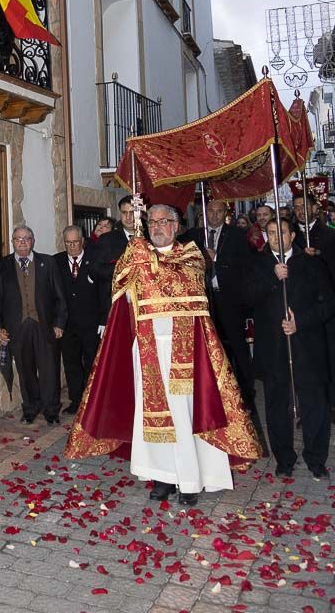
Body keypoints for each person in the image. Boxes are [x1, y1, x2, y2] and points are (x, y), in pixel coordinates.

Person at [65, 204, 261, 505]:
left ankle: (190, 479)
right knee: (151, 416)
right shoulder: (138, 254)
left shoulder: (192, 256)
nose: (156, 227)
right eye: (152, 221)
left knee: (183, 415)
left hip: (185, 350)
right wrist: (134, 258)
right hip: (146, 347)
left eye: (163, 222)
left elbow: (183, 287)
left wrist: (147, 262)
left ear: (176, 225)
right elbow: (118, 284)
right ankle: (162, 476)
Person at [245, 219, 332, 479]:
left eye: (280, 232)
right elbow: (245, 297)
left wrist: (301, 322)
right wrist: (273, 278)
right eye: (270, 233)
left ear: (292, 234)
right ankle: (284, 457)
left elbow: (328, 303)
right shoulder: (258, 264)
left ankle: (316, 458)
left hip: (307, 345)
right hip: (273, 348)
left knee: (314, 403)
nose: (275, 237)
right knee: (276, 404)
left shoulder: (311, 263)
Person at [0, 225, 67, 425]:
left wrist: (59, 323)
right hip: (17, 327)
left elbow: (60, 296)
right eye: (18, 239)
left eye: (26, 238)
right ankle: (31, 408)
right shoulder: (1, 266)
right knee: (25, 370)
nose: (22, 242)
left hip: (44, 325)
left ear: (33, 241)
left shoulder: (47, 263)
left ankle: (51, 410)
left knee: (49, 369)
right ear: (13, 242)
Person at [182, 199, 253, 408]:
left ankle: (245, 396)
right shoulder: (192, 236)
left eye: (218, 211)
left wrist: (217, 261)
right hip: (203, 299)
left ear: (225, 213)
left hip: (229, 300)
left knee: (237, 347)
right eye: (210, 211)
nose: (214, 215)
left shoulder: (238, 236)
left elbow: (245, 266)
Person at [53, 226, 104, 414]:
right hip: (67, 325)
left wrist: (102, 320)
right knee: (71, 363)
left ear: (82, 241)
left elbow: (102, 292)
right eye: (68, 243)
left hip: (91, 323)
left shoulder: (95, 259)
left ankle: (92, 401)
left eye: (75, 242)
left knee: (92, 362)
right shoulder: (56, 261)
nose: (72, 246)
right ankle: (76, 401)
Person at [87, 194, 137, 320]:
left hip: (143, 304)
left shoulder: (149, 237)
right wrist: (123, 266)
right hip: (115, 306)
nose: (128, 217)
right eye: (124, 212)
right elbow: (94, 271)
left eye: (132, 212)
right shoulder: (107, 239)